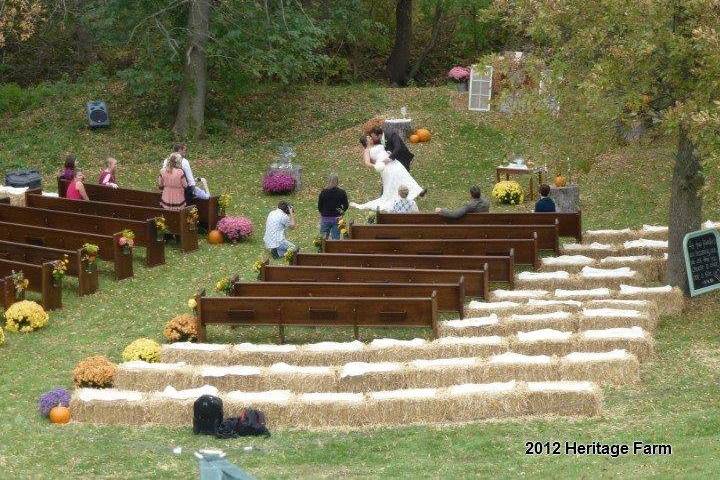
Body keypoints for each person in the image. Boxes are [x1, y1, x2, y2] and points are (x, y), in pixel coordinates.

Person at [350, 136, 425, 212]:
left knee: (404, 175)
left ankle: (417, 190)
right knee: (391, 181)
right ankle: (396, 196)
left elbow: (384, 150)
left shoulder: (377, 144)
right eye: (369, 138)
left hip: (392, 161)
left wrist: (389, 153)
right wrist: (376, 165)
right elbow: (367, 162)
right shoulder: (367, 150)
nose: (371, 138)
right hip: (384, 165)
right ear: (366, 142)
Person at [317, 173, 348, 240]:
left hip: (325, 217)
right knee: (336, 238)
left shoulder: (323, 192)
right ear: (337, 181)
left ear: (328, 181)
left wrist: (323, 213)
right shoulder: (342, 192)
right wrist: (342, 213)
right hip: (337, 218)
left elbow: (319, 206)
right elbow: (346, 205)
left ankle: (323, 250)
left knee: (323, 239)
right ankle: (335, 250)